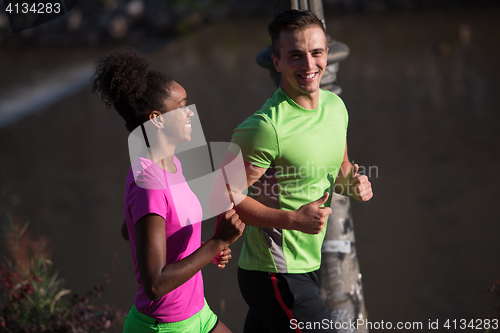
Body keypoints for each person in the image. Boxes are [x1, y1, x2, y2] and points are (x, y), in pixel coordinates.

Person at [228, 10, 373, 333]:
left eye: (317, 53)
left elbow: (340, 169)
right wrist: (292, 220)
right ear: (276, 62)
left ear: (327, 55)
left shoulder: (335, 107)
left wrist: (354, 184)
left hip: (309, 263)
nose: (309, 66)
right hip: (272, 273)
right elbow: (221, 197)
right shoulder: (265, 127)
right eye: (295, 56)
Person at [91, 48, 245, 333]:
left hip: (198, 313)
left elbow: (131, 230)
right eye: (182, 105)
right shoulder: (148, 182)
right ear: (157, 118)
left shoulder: (170, 163)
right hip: (166, 325)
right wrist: (217, 243)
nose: (190, 113)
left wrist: (200, 251)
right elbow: (155, 284)